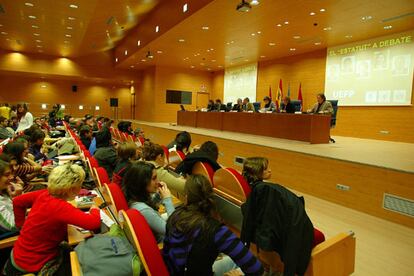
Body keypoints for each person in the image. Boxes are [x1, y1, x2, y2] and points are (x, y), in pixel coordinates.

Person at [4, 164, 101, 275]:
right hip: (31, 263)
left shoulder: (45, 194)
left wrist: (21, 224)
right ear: (72, 188)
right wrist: (95, 208)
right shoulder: (59, 207)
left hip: (18, 256)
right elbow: (94, 223)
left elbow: (18, 202)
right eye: (80, 184)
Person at [163, 174, 264, 275]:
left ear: (186, 197)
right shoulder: (217, 231)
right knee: (234, 262)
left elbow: (167, 253)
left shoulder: (174, 216)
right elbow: (256, 268)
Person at [241, 157, 324, 276]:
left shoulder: (258, 190)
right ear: (257, 172)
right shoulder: (268, 191)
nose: (270, 170)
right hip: (298, 232)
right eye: (266, 169)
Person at [122, 161, 175, 243]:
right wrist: (168, 199)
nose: (158, 181)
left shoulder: (135, 198)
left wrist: (160, 193)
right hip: (166, 244)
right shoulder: (143, 210)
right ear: (141, 182)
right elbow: (173, 230)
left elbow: (155, 215)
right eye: (154, 178)